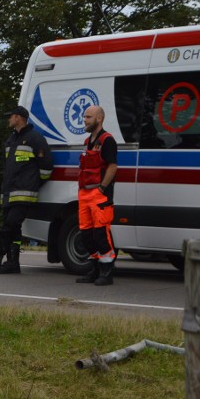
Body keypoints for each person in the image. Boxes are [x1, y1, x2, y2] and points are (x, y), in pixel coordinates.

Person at [0, 106, 53, 274]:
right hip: (9, 192)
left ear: (18, 118)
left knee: (10, 224)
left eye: (10, 116)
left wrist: (32, 183)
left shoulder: (35, 139)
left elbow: (46, 167)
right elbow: (9, 167)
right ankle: (13, 263)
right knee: (13, 227)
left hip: (25, 193)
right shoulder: (11, 140)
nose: (8, 119)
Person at [75, 105, 118, 286]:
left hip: (99, 196)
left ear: (99, 119)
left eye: (88, 116)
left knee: (101, 234)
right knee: (86, 235)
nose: (84, 119)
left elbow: (112, 166)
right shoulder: (87, 141)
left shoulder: (107, 140)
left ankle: (107, 272)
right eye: (85, 116)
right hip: (85, 194)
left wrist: (102, 188)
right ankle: (94, 269)